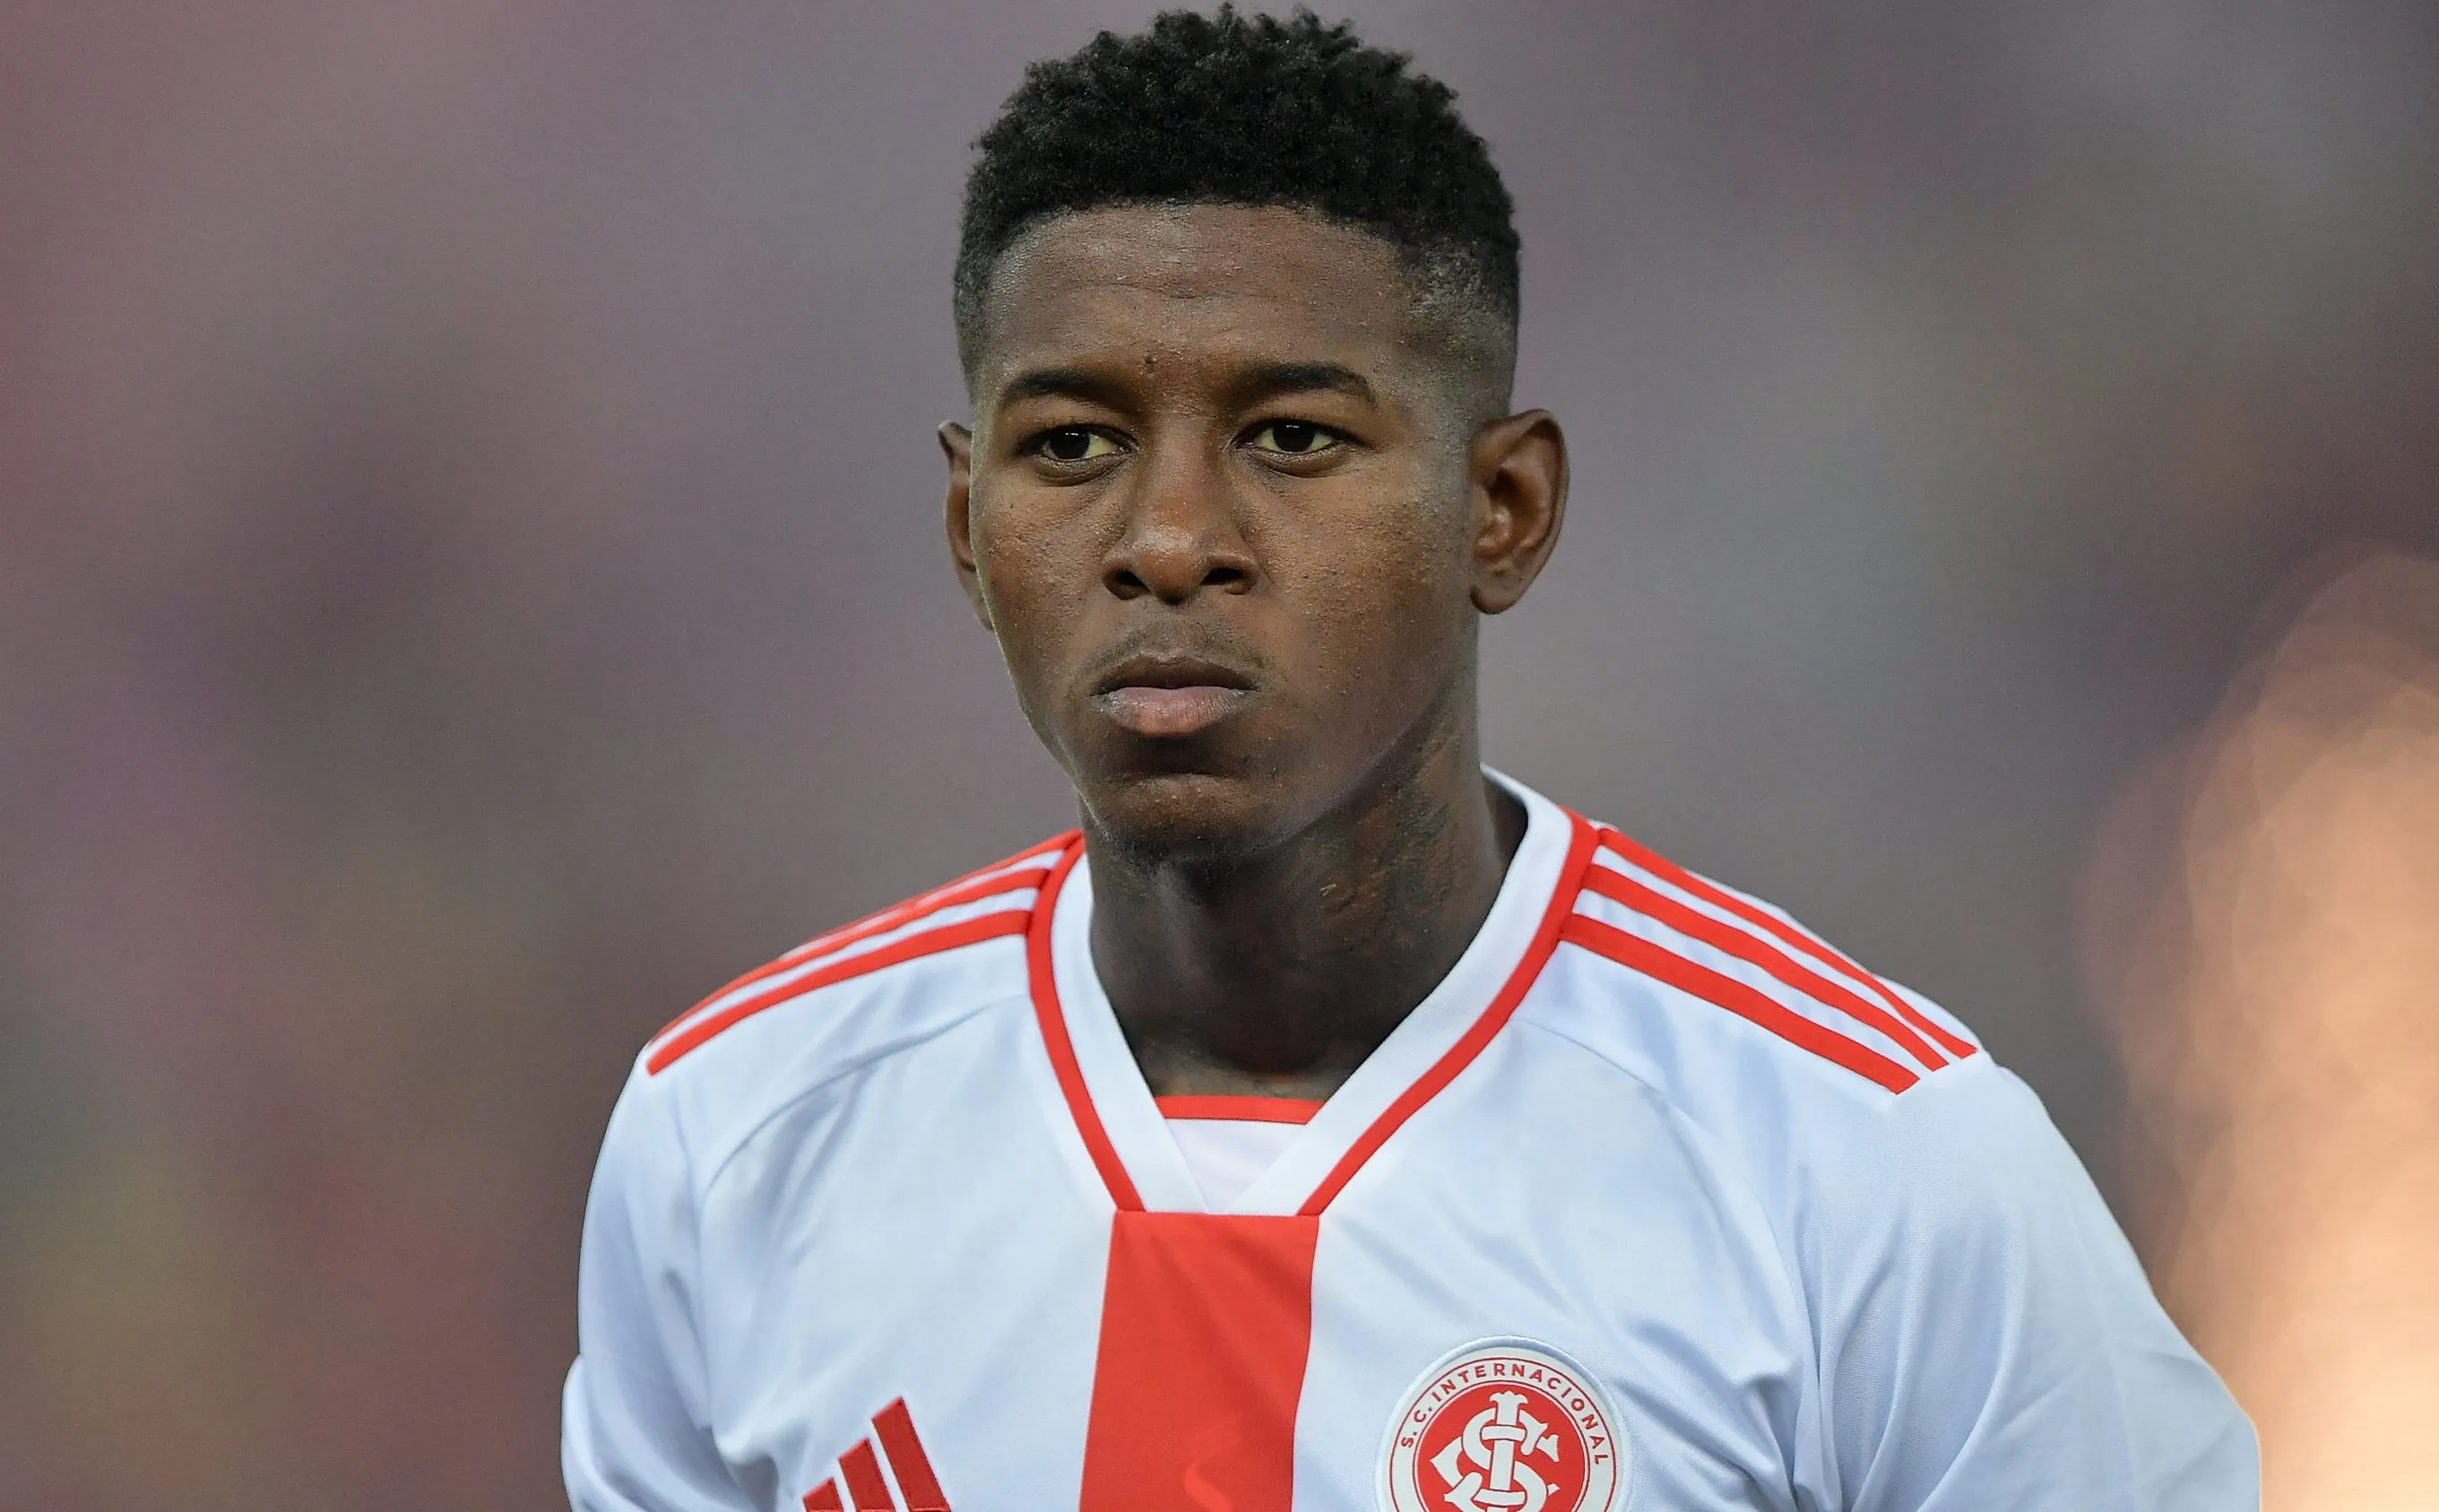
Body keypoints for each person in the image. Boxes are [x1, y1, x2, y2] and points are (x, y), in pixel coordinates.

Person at [560, 10, 2258, 1510]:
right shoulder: (735, 1144)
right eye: (1070, 443)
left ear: (1500, 510)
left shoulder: (1872, 1168)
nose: (1166, 540)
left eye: (1293, 438)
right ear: (964, 519)